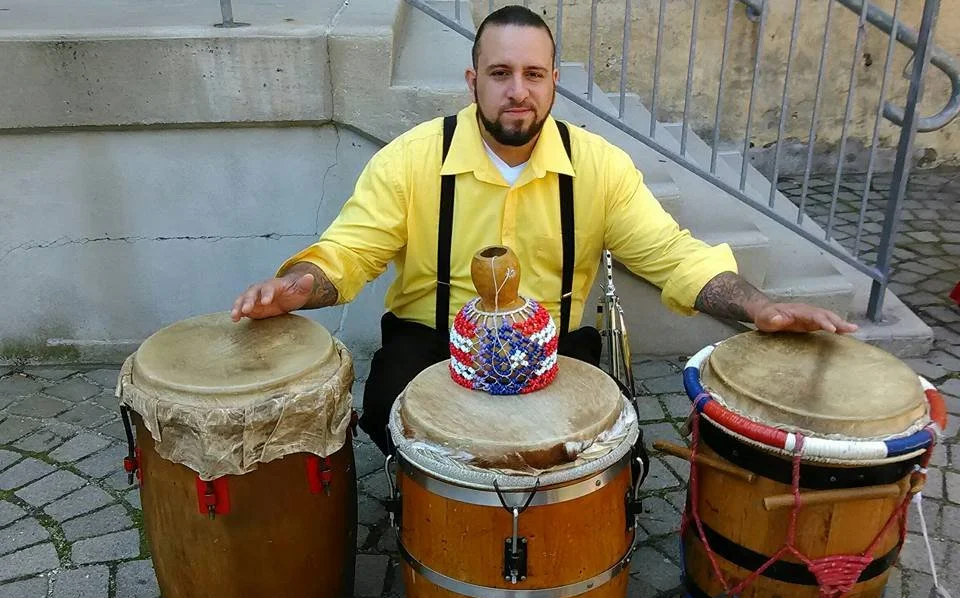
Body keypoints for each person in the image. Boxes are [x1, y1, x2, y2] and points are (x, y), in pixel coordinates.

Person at [231, 5, 857, 454]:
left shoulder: (599, 167)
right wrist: (299, 286)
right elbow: (351, 251)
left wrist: (759, 305)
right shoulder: (411, 159)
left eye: (533, 74)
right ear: (474, 81)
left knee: (605, 441)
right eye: (500, 73)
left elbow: (672, 256)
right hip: (433, 339)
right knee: (389, 406)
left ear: (554, 82)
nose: (517, 91)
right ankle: (425, 517)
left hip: (556, 343)